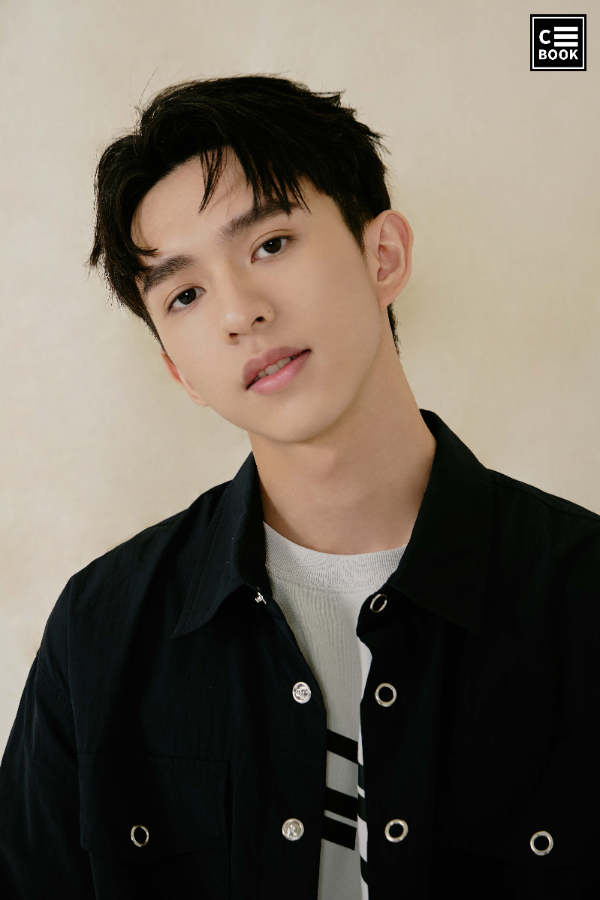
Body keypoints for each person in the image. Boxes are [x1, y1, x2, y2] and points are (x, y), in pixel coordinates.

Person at [0, 74, 598, 900]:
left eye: (271, 244)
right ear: (180, 373)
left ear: (383, 255)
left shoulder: (582, 593)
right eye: (185, 293)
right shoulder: (100, 631)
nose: (238, 312)